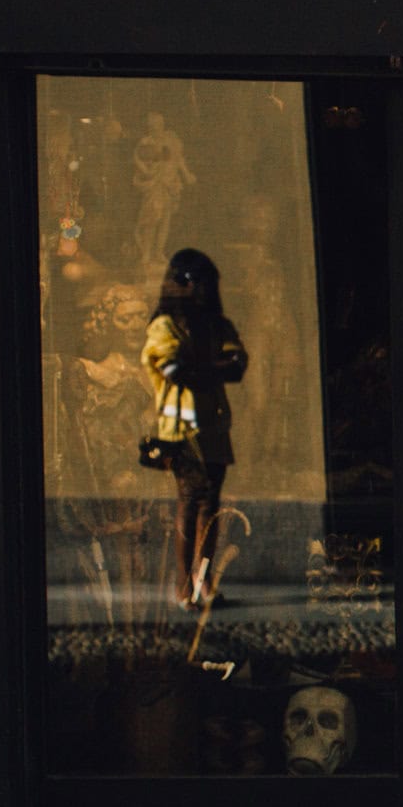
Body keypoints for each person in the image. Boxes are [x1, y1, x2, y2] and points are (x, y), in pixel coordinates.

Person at [142, 249, 248, 610]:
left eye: (205, 283)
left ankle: (203, 584)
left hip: (214, 427)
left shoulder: (216, 325)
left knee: (210, 505)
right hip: (180, 432)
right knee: (190, 502)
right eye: (192, 282)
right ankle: (184, 587)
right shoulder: (164, 326)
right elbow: (174, 370)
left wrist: (199, 364)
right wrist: (213, 365)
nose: (200, 291)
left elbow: (237, 366)